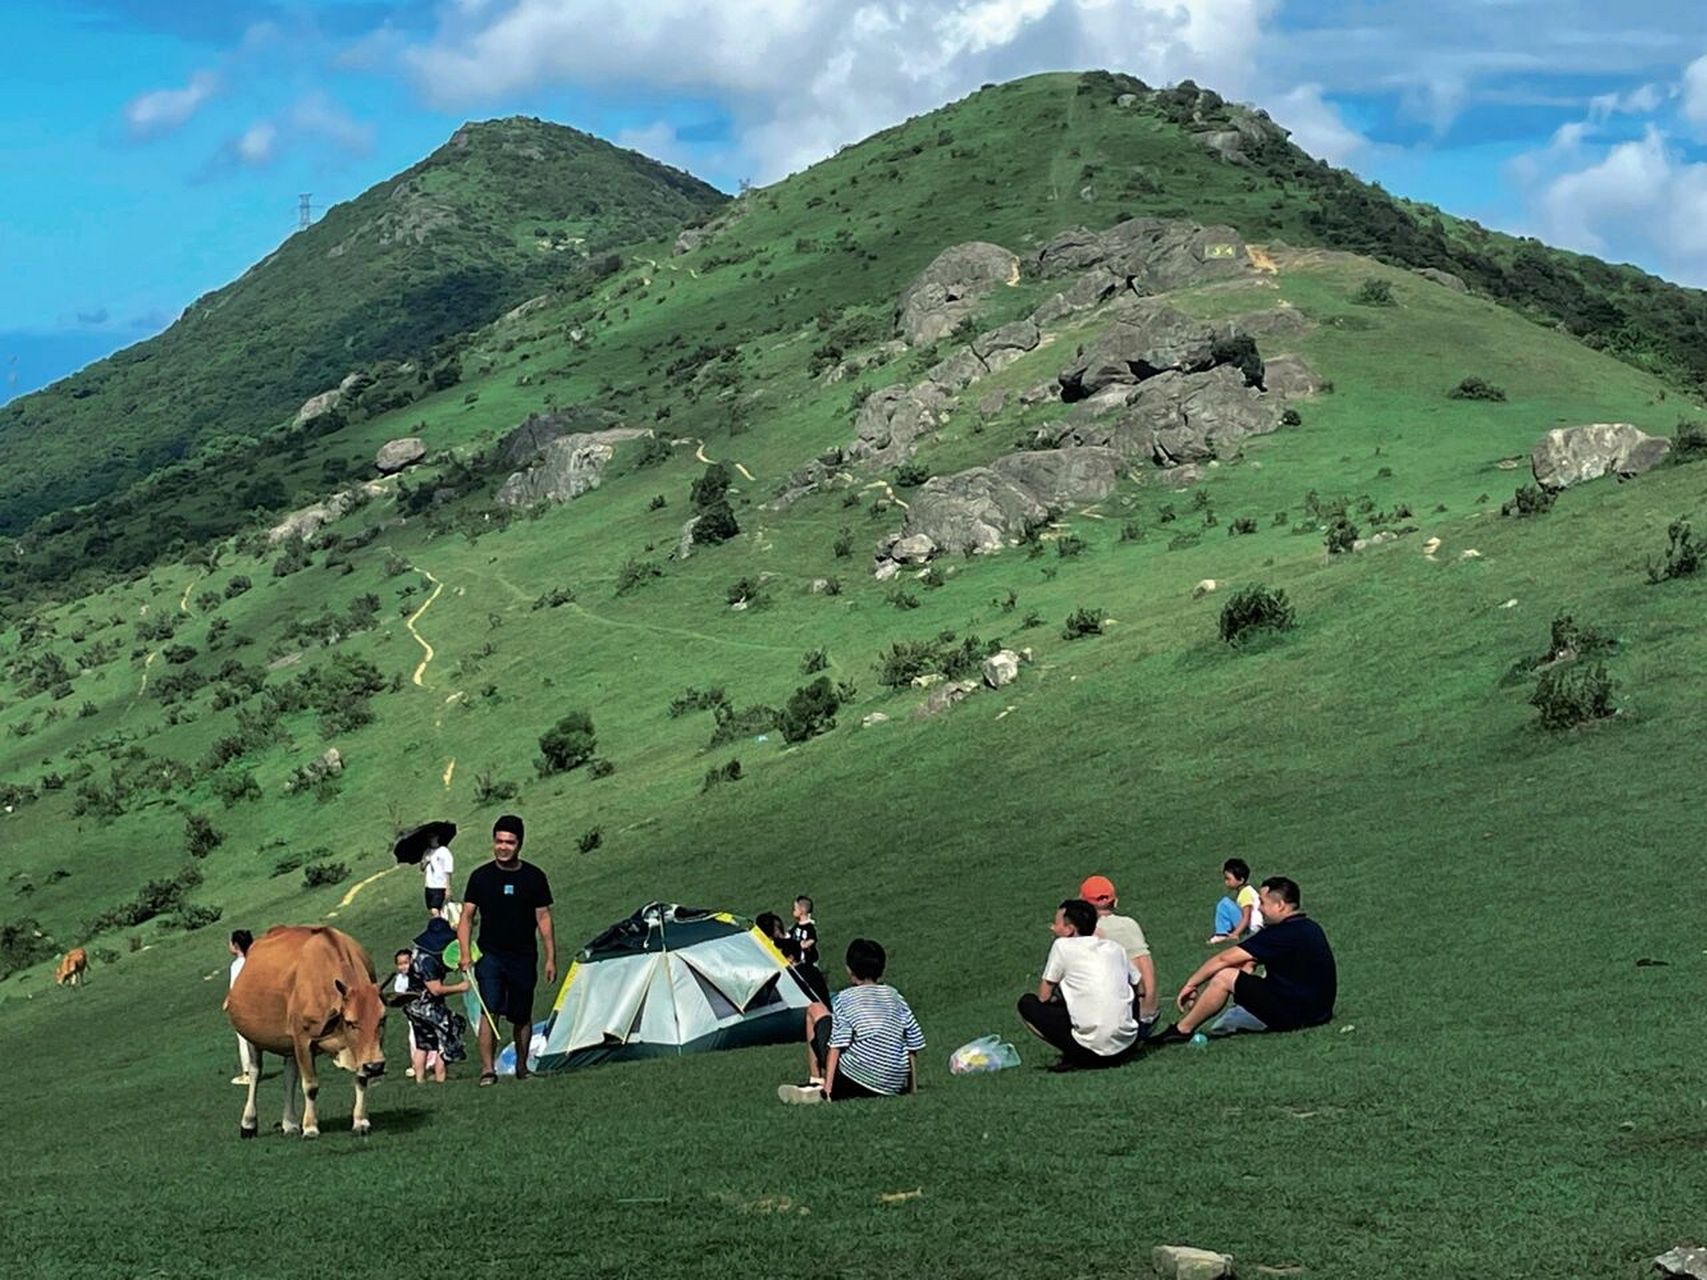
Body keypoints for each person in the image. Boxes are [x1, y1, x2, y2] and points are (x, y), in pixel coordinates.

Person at [1153, 876, 1336, 1043]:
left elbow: (1224, 959)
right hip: (1319, 1012)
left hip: (1297, 1015)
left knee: (1225, 976)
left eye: (1263, 903)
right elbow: (1254, 958)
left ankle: (1182, 1029)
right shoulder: (1310, 927)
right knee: (1240, 973)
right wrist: (1247, 972)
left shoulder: (1279, 934)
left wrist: (1192, 984)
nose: (1259, 909)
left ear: (1280, 905)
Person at [455, 814, 555, 1086]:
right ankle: (488, 1070)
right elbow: (466, 917)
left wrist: (550, 958)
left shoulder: (534, 877)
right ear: (493, 842)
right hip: (490, 955)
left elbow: (543, 918)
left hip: (523, 955)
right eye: (499, 841)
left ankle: (523, 1068)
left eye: (509, 842)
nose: (503, 847)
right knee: (490, 1009)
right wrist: (465, 953)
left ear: (519, 844)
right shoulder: (480, 877)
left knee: (522, 1013)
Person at [778, 938, 924, 1104]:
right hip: (892, 1084)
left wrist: (829, 1091)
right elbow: (912, 1043)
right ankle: (824, 1087)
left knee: (814, 1009)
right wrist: (912, 1088)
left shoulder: (845, 998)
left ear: (849, 970)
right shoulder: (895, 997)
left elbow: (837, 1044)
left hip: (853, 1078)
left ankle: (817, 1082)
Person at [1017, 899, 1141, 1071]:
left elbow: (1044, 997)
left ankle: (1074, 1052)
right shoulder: (1114, 947)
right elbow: (1137, 985)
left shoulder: (1062, 946)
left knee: (1027, 1004)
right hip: (1127, 1046)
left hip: (1092, 1053)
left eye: (1057, 923)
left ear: (1069, 929)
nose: (1052, 928)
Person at [385, 921, 471, 1083]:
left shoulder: (418, 954)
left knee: (423, 1044)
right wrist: (460, 987)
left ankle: (420, 1080)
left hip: (413, 1007)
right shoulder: (428, 961)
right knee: (450, 1033)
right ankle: (440, 1076)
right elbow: (435, 989)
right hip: (428, 1007)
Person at [1079, 874, 1160, 1038]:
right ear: (1115, 901)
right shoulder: (1130, 924)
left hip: (1122, 1016)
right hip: (1150, 1012)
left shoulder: (1091, 932)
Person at [1209, 858, 1263, 944]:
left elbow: (1246, 917)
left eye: (1228, 879)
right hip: (1255, 926)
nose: (1226, 882)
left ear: (1241, 880)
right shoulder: (1247, 890)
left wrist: (1235, 934)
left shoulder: (1245, 894)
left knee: (1224, 903)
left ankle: (1221, 933)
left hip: (1252, 927)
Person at [228, 929, 256, 1086]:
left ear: (235, 945)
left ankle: (247, 1072)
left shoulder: (236, 965)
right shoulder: (254, 961)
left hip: (244, 1007)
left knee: (244, 1039)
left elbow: (235, 988)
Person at [423, 839, 455, 920]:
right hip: (429, 885)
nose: (430, 839)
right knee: (432, 910)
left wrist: (448, 887)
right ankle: (443, 923)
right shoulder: (427, 851)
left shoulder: (444, 851)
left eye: (432, 837)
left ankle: (439, 926)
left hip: (440, 885)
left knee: (435, 910)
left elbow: (448, 870)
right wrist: (425, 862)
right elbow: (422, 868)